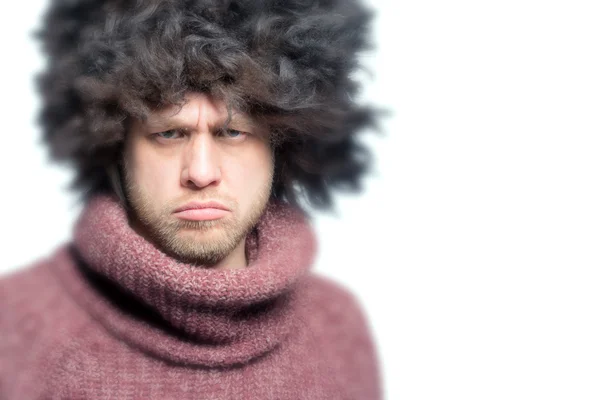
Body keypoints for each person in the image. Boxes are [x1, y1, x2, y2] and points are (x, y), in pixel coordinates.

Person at [0, 0, 383, 398]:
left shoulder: (336, 326)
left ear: (280, 146)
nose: (201, 173)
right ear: (115, 146)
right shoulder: (16, 326)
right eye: (169, 134)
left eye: (232, 132)